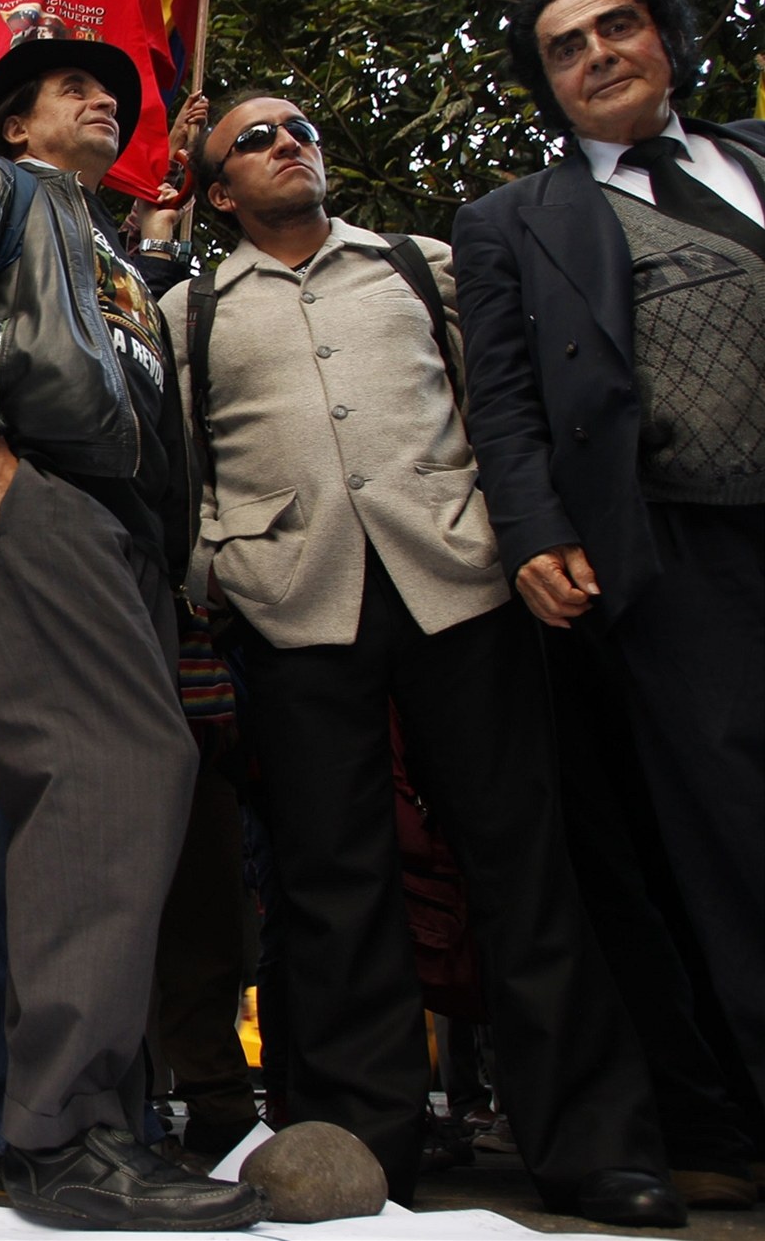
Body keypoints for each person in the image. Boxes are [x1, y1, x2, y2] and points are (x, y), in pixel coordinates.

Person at [164, 92, 679, 1224]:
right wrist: (215, 567)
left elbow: (500, 405)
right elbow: (182, 460)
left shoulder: (420, 264)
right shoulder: (190, 310)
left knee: (523, 862)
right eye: (254, 139)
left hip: (460, 582)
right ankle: (365, 1149)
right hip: (294, 604)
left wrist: (513, 527)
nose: (288, 143)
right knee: (332, 881)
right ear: (218, 191)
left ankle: (595, 1148)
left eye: (300, 128)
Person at [0, 31, 264, 1231]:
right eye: (74, 88)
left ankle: (96, 1123)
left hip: (118, 530)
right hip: (28, 494)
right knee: (109, 772)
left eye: (112, 92)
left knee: (125, 786)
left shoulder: (106, 243)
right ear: (13, 122)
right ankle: (65, 1134)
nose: (103, 100)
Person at [452, 0, 765, 1137]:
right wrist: (534, 529)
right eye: (565, 47)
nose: (596, 55)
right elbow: (503, 401)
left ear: (665, 39)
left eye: (617, 26)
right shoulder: (512, 220)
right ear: (547, 85)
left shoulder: (751, 158)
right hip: (673, 551)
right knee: (735, 832)